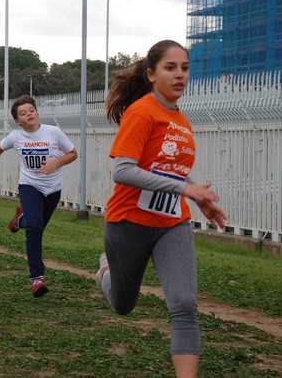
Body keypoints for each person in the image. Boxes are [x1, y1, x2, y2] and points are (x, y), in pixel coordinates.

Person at [96, 40, 227, 378]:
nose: (180, 75)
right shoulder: (142, 112)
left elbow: (172, 170)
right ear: (151, 75)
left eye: (185, 67)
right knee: (124, 306)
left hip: (173, 224)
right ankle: (107, 271)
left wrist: (198, 198)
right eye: (171, 68)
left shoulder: (182, 121)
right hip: (128, 223)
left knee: (184, 305)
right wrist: (186, 188)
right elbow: (123, 170)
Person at [0, 95, 78, 298]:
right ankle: (37, 278)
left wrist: (56, 163)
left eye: (31, 110)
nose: (28, 114)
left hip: (53, 189)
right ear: (18, 121)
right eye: (23, 113)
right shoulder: (16, 136)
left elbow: (73, 153)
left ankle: (21, 218)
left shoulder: (53, 132)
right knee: (35, 228)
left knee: (35, 226)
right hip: (30, 186)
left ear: (37, 113)